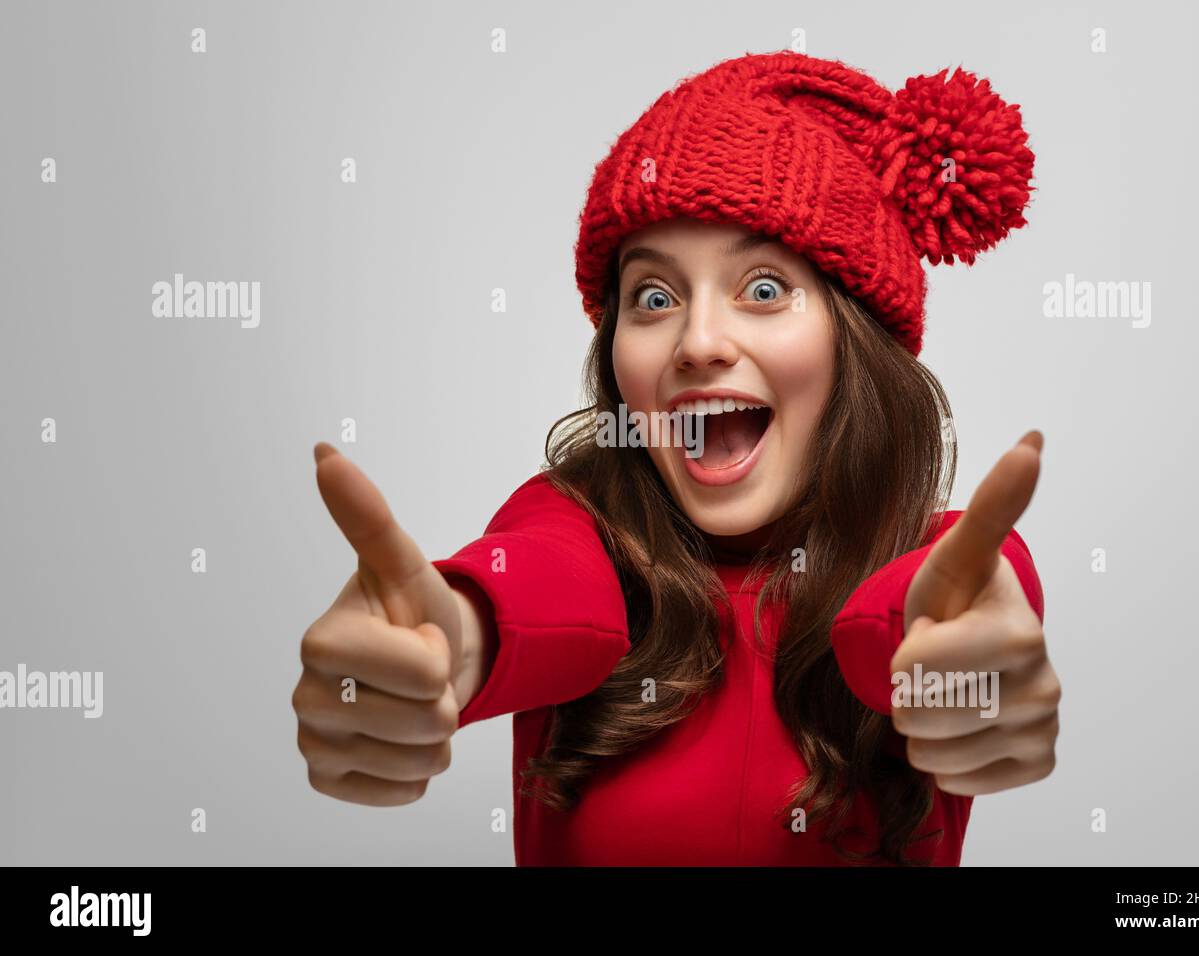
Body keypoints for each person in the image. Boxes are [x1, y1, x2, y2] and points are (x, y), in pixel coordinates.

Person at [292, 51, 1060, 866]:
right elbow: (540, 593)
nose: (696, 343)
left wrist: (960, 671)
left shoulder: (957, 565)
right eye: (653, 298)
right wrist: (449, 638)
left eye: (763, 289)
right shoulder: (573, 526)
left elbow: (898, 622)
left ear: (855, 339)